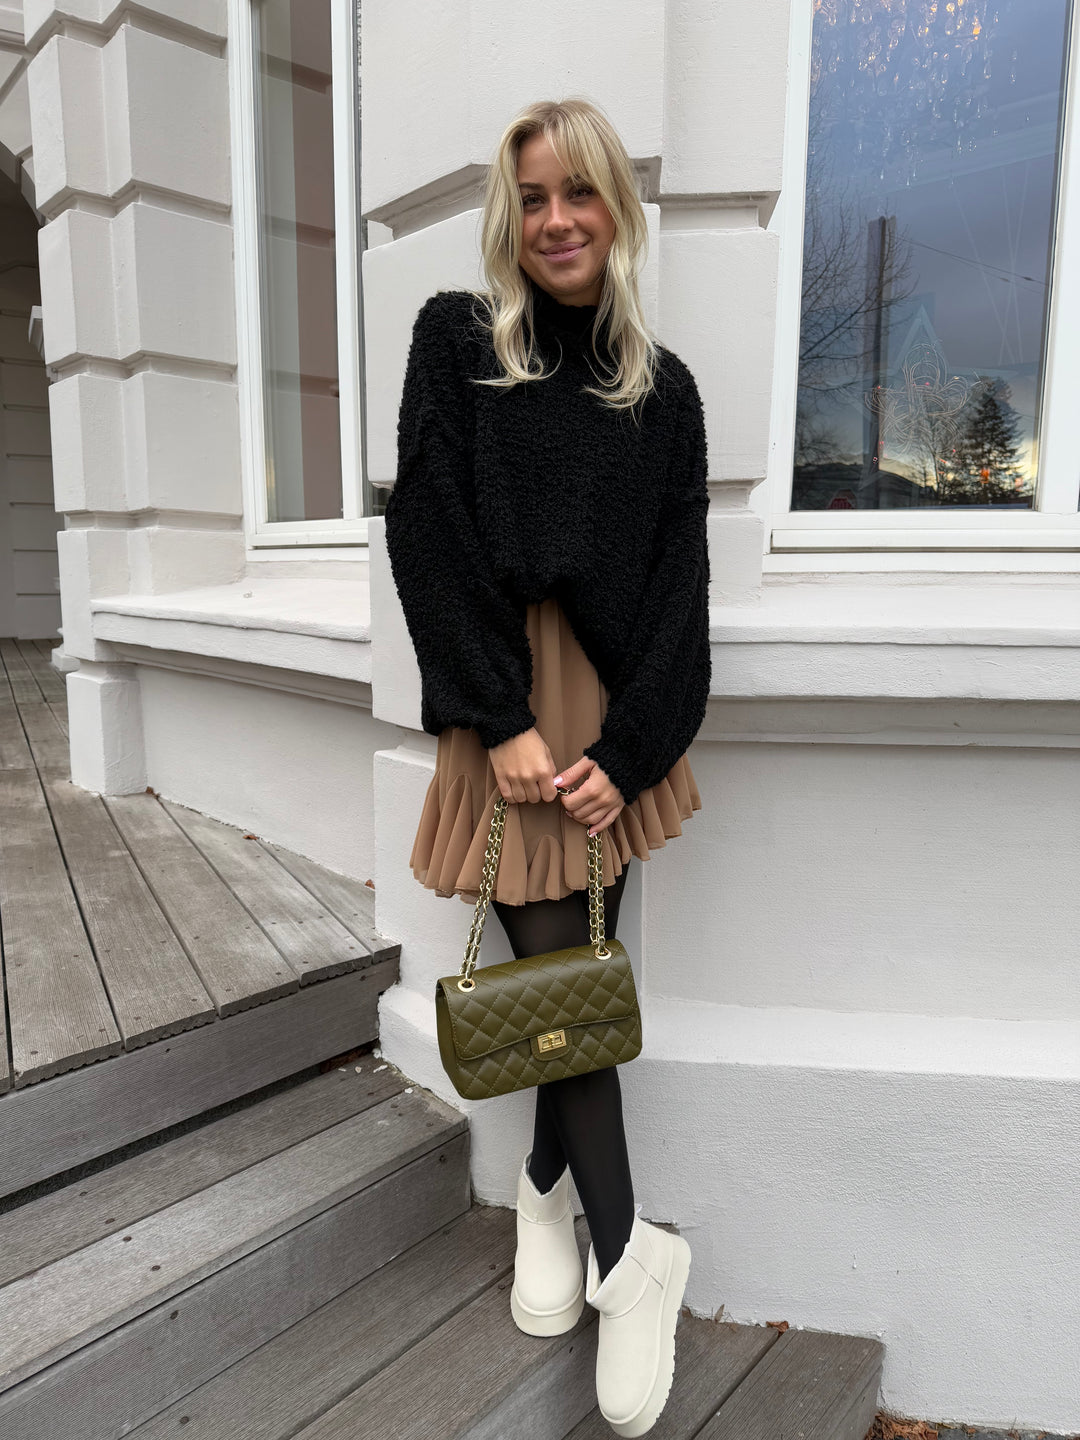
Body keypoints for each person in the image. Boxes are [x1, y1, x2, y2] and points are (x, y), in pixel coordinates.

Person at [385, 96, 711, 1438]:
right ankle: (634, 1256)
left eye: (580, 193)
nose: (557, 219)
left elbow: (681, 590)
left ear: (617, 210)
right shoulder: (459, 342)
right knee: (561, 988)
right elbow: (427, 532)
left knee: (571, 983)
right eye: (533, 196)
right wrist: (502, 716)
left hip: (615, 719)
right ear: (507, 214)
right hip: (508, 702)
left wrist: (629, 753)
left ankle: (542, 1194)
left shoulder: (662, 390)